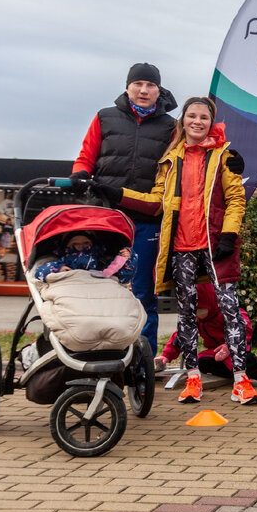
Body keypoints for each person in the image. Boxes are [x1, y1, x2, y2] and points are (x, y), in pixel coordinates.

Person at [108, 96, 256, 406]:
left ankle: (242, 381)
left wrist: (229, 234)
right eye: (192, 116)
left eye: (204, 116)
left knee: (231, 311)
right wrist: (116, 193)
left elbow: (236, 200)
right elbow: (154, 202)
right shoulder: (170, 160)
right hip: (181, 248)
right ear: (183, 120)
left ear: (211, 121)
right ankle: (192, 379)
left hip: (217, 246)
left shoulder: (224, 156)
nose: (197, 121)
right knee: (186, 314)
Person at [71, 62, 177, 354]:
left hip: (147, 219)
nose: (144, 90)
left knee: (143, 290)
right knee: (100, 285)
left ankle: (143, 357)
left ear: (159, 90)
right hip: (106, 216)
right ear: (127, 86)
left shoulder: (171, 127)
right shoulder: (105, 118)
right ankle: (98, 350)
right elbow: (85, 157)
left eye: (150, 85)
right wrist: (80, 173)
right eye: (138, 84)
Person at [155, 283, 257, 386]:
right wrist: (166, 356)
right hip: (215, 352)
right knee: (201, 361)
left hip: (235, 349)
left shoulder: (226, 312)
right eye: (195, 311)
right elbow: (181, 335)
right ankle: (230, 374)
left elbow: (244, 327)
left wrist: (229, 346)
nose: (198, 314)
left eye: (201, 310)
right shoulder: (197, 318)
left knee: (242, 362)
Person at [34, 231, 136, 285]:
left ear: (93, 244)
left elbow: (124, 277)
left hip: (100, 292)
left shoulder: (102, 260)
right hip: (71, 291)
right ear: (66, 246)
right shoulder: (60, 261)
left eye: (86, 243)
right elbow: (39, 272)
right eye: (75, 244)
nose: (80, 246)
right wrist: (57, 269)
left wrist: (126, 259)